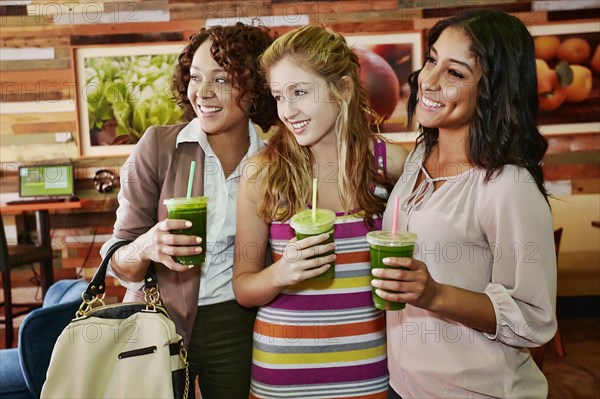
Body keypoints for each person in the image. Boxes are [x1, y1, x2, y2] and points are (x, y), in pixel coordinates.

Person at [371, 9, 557, 398]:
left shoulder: (507, 184)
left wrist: (434, 294)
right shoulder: (420, 157)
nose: (429, 81)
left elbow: (532, 319)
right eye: (432, 60)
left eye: (455, 73)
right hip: (403, 388)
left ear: (493, 91)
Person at [99, 22, 278, 399]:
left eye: (222, 79)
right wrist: (147, 246)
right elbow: (120, 260)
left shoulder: (273, 161)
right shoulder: (159, 147)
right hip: (159, 320)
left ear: (257, 86)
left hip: (239, 324)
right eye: (196, 77)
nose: (204, 92)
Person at [233, 25, 408, 399]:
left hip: (367, 365)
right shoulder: (262, 174)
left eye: (300, 92)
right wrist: (282, 272)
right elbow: (244, 289)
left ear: (342, 89)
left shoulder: (389, 165)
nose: (288, 111)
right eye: (280, 96)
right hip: (283, 371)